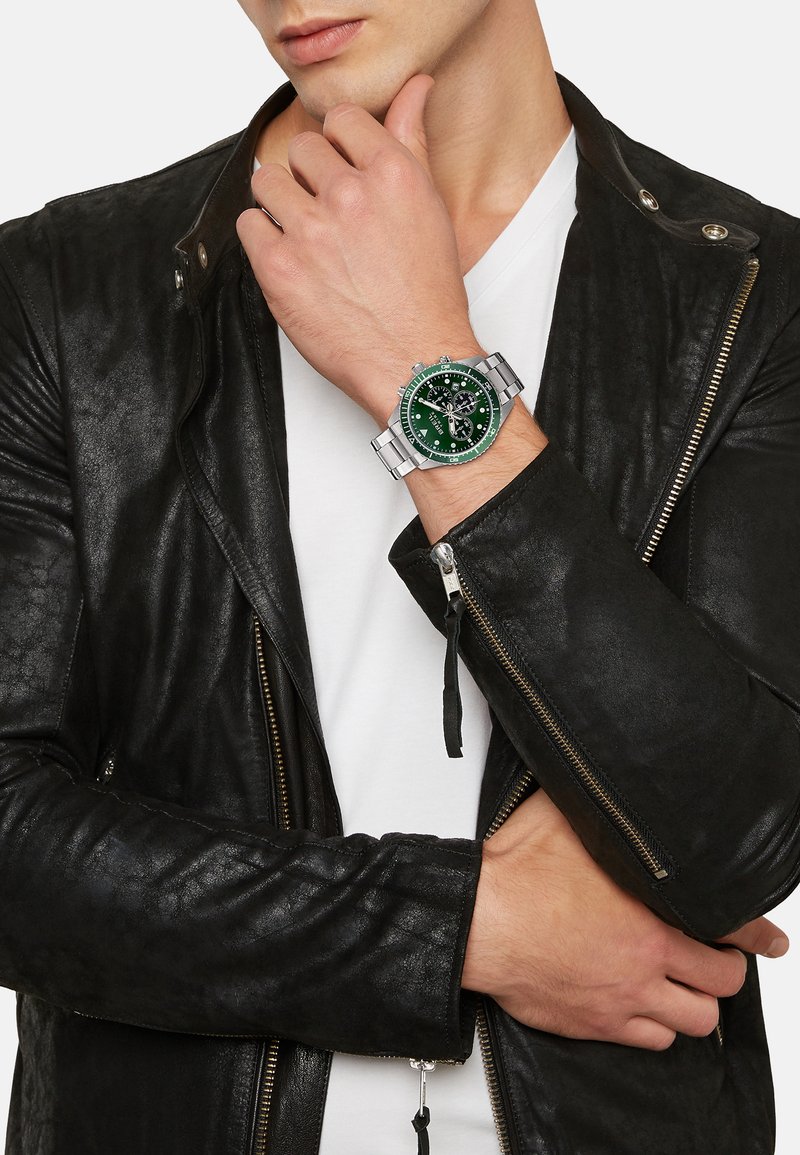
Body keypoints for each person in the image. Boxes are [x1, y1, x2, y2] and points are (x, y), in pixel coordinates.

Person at [1, 0, 798, 1151]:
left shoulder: (748, 298)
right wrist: (461, 926)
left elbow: (737, 836)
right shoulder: (63, 293)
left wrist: (424, 365)